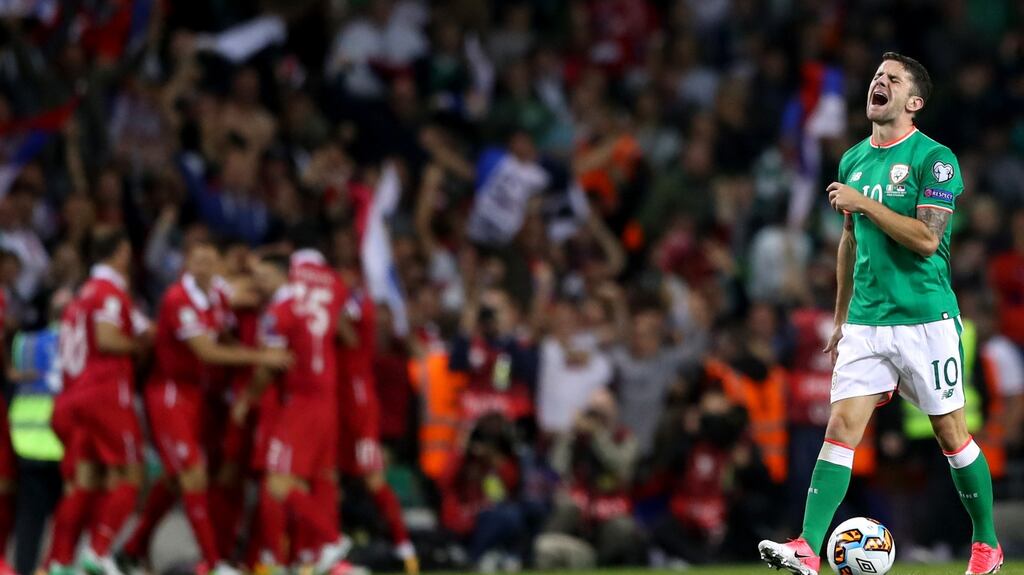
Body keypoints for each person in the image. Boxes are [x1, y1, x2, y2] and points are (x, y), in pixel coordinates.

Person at [758, 52, 1003, 575]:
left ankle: (986, 544)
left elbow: (925, 238)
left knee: (951, 436)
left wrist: (863, 204)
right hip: (867, 322)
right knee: (841, 427)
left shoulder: (934, 159)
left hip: (925, 319)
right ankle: (807, 547)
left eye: (892, 79)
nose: (879, 82)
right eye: (876, 76)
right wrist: (842, 315)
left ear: (913, 102)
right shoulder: (852, 160)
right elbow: (849, 241)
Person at [120, 240, 291, 575]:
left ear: (217, 266)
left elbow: (237, 313)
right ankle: (213, 564)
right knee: (193, 475)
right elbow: (206, 352)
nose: (202, 267)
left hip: (194, 396)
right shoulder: (177, 299)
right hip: (169, 393)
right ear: (186, 263)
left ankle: (132, 549)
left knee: (175, 479)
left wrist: (260, 265)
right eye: (196, 261)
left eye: (208, 261)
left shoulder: (214, 296)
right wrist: (260, 356)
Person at [46, 231, 153, 575]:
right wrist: (139, 347)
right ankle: (98, 549)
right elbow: (109, 340)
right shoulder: (110, 293)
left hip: (71, 396)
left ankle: (59, 562)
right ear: (121, 254)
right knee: (131, 473)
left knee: (86, 481)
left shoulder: (79, 298)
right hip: (105, 395)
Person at [240, 250, 349, 573]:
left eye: (263, 276)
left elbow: (272, 364)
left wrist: (248, 397)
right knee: (302, 483)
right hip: (325, 398)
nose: (258, 283)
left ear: (282, 275)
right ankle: (308, 555)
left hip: (301, 402)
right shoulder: (314, 301)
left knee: (277, 485)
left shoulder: (280, 311)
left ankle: (329, 540)